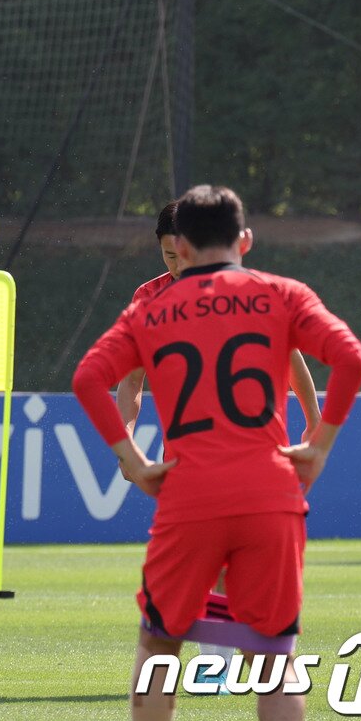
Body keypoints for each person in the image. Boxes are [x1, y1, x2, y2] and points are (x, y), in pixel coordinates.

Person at [72, 185, 361, 721]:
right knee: (275, 659)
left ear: (181, 247)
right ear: (245, 241)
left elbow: (89, 377)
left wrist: (132, 459)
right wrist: (320, 443)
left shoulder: (151, 308)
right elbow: (351, 357)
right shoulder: (282, 294)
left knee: (159, 646)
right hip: (270, 492)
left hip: (188, 493)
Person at [113, 200, 325, 691]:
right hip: (190, 453)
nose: (177, 264)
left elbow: (290, 356)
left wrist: (313, 419)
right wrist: (126, 439)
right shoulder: (149, 298)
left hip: (256, 448)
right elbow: (131, 380)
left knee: (238, 561)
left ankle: (232, 664)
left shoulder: (245, 291)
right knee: (206, 562)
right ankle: (223, 665)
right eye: (168, 256)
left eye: (182, 253)